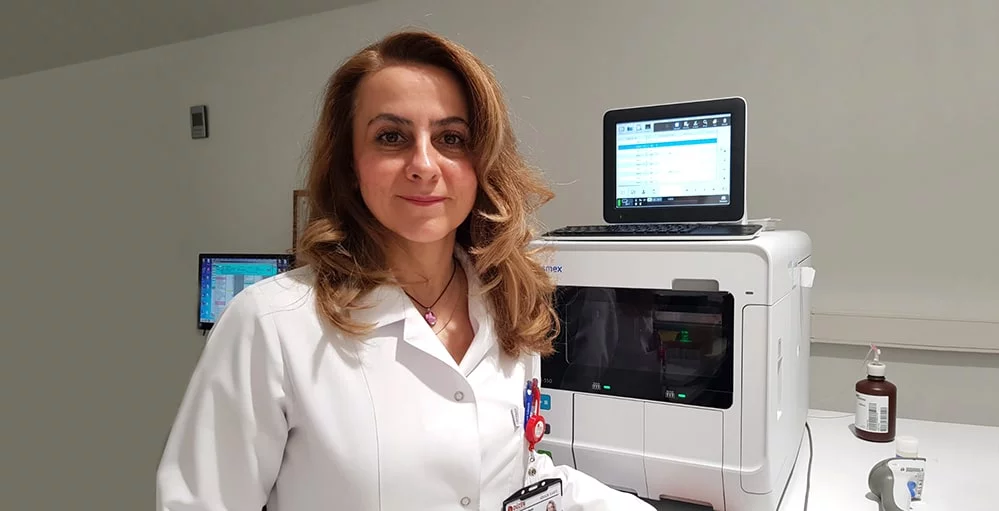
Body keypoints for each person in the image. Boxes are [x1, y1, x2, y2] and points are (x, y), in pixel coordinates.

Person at [155, 29, 655, 511]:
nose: (424, 164)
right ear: (351, 165)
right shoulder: (271, 325)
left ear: (481, 162)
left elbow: (518, 475)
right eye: (391, 137)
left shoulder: (508, 305)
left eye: (452, 138)